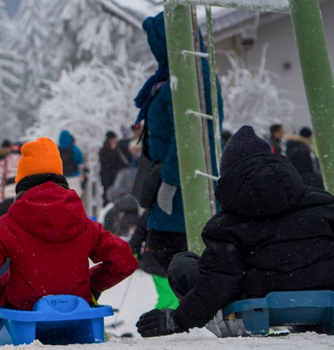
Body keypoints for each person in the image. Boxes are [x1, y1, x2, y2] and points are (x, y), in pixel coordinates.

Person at [137, 126, 334, 338]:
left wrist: (177, 320)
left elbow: (217, 284)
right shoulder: (324, 204)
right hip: (324, 290)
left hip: (254, 297)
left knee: (182, 263)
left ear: (229, 173)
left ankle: (230, 324)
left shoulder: (225, 225)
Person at [0, 138, 137, 325]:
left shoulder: (9, 224)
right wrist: (92, 284)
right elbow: (124, 260)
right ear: (60, 177)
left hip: (23, 312)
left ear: (22, 181)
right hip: (76, 310)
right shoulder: (84, 223)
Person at [135, 12, 221, 308]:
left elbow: (191, 134)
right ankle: (178, 303)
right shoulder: (173, 75)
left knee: (166, 248)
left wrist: (171, 180)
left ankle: (179, 305)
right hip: (171, 178)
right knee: (163, 247)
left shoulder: (191, 74)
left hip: (184, 182)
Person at [98, 131, 131, 202]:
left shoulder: (119, 149)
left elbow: (122, 163)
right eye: (112, 140)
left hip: (118, 176)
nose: (114, 141)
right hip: (108, 178)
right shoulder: (103, 151)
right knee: (108, 196)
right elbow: (104, 165)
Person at [57, 130, 86, 194]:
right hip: (74, 176)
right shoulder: (75, 149)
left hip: (62, 178)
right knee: (75, 197)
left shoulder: (57, 149)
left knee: (63, 197)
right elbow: (81, 163)